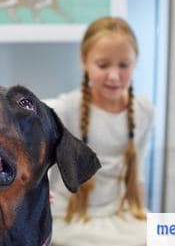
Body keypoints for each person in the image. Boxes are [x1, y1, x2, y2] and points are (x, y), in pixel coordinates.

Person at [48, 17, 154, 246]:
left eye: (123, 65)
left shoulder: (144, 111)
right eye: (103, 65)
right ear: (84, 61)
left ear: (135, 63)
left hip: (120, 215)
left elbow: (138, 174)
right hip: (70, 217)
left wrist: (142, 213)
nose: (114, 76)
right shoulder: (66, 109)